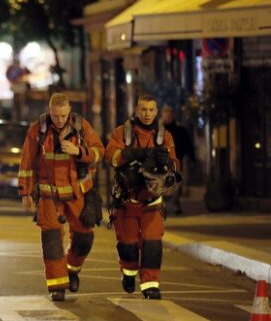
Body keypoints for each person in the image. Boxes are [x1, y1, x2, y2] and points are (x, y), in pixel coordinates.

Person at [18, 93, 105, 301]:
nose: (59, 120)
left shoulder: (81, 127)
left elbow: (99, 152)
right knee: (51, 240)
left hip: (77, 193)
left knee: (84, 237)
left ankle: (72, 269)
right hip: (49, 194)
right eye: (55, 116)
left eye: (63, 116)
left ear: (69, 111)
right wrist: (25, 192)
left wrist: (79, 150)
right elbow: (27, 163)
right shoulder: (37, 130)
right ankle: (57, 286)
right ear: (50, 111)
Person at [104, 94, 179, 300]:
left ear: (157, 112)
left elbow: (175, 166)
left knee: (153, 243)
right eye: (143, 110)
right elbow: (111, 157)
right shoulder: (122, 133)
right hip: (127, 200)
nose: (147, 114)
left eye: (151, 110)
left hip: (152, 200)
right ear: (137, 110)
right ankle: (129, 274)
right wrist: (133, 154)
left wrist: (168, 162)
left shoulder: (165, 136)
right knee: (127, 244)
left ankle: (150, 285)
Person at [162, 105, 195, 215]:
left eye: (169, 114)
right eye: (166, 114)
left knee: (177, 183)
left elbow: (187, 144)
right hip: (163, 162)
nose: (168, 117)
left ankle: (175, 204)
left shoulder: (180, 130)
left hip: (176, 160)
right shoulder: (158, 131)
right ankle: (164, 205)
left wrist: (192, 157)